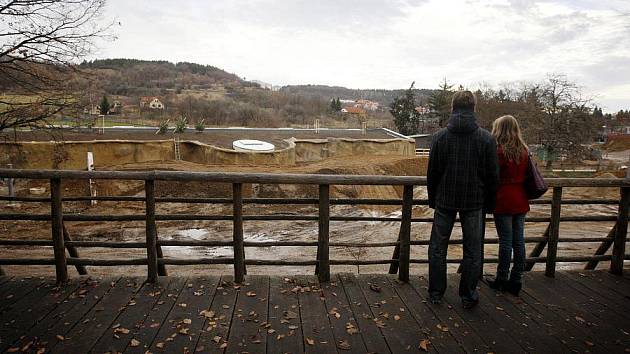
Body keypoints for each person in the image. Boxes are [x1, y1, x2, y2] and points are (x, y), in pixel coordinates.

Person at [427, 90, 499, 309]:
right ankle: (468, 295)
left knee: (438, 248)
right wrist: (489, 204)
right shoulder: (486, 139)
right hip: (474, 201)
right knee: (473, 250)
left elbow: (433, 174)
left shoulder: (440, 138)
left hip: (445, 200)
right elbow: (492, 176)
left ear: (452, 108)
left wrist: (433, 200)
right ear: (474, 108)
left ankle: (436, 293)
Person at [487, 115, 530, 296]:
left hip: (503, 199)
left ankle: (501, 278)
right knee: (518, 241)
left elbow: (491, 177)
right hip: (520, 198)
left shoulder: (498, 152)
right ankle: (517, 279)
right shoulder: (524, 151)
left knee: (505, 241)